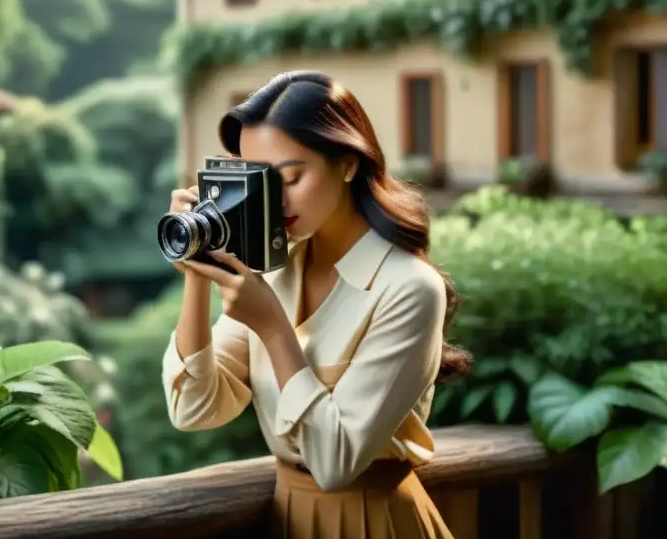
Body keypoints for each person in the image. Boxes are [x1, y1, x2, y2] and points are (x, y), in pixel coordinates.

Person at [162, 70, 471, 539]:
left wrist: (273, 328)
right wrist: (196, 270)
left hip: (378, 521)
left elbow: (335, 464)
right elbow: (195, 410)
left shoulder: (408, 288)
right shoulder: (273, 268)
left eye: (289, 177)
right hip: (290, 517)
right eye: (259, 181)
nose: (274, 200)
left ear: (347, 163)